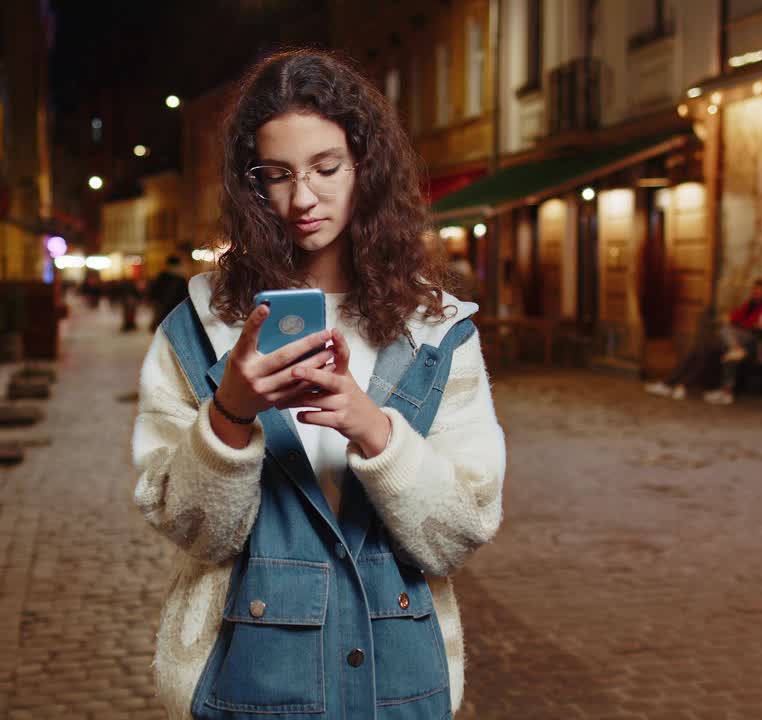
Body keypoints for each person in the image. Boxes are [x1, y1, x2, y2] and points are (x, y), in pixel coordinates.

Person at [131, 50, 505, 719]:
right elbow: (197, 533)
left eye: (326, 168)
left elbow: (458, 533)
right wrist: (231, 414)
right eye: (275, 176)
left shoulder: (438, 332)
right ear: (251, 187)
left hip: (404, 685)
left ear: (366, 165)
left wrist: (375, 431)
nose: (302, 198)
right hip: (245, 682)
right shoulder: (195, 331)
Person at [644, 278, 762, 404]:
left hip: (747, 341)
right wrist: (735, 321)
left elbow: (753, 324)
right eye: (755, 291)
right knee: (700, 349)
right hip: (733, 339)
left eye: (759, 291)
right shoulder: (749, 304)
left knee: (716, 345)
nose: (756, 294)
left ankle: (678, 384)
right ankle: (670, 383)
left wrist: (739, 323)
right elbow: (734, 317)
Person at [147, 255, 190, 332]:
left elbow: (184, 294)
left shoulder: (180, 279)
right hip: (165, 308)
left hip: (175, 308)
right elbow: (155, 291)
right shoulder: (163, 277)